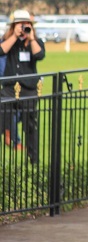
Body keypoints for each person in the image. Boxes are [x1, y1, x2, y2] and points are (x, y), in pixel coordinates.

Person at [0, 9, 45, 162]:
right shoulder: (8, 40)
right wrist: (14, 35)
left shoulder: (35, 41)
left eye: (26, 24)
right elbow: (1, 51)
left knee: (30, 126)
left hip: (28, 89)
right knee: (3, 117)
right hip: (9, 88)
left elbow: (39, 55)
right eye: (20, 24)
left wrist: (30, 38)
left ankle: (33, 159)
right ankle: (9, 141)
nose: (23, 27)